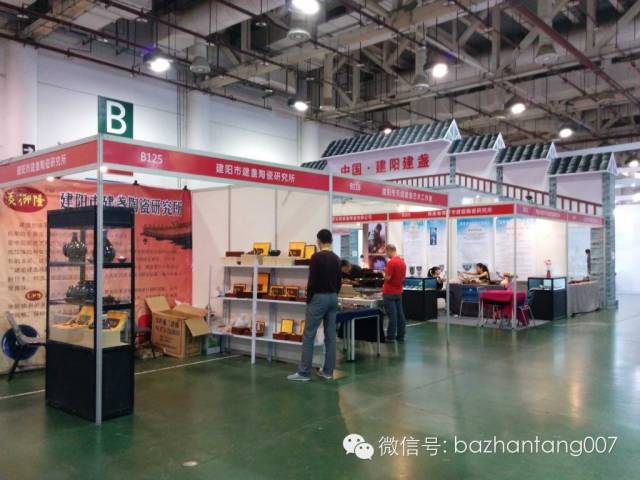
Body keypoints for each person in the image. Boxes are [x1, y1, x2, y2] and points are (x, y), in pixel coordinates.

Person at [288, 229, 342, 382]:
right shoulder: (337, 258)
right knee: (330, 336)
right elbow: (339, 282)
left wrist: (309, 299)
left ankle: (304, 372)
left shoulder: (316, 257)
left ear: (319, 241)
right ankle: (328, 372)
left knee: (309, 334)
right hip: (333, 297)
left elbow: (312, 281)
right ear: (331, 241)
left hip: (318, 298)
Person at [383, 244, 407, 342]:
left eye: (386, 252)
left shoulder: (391, 262)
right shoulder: (402, 262)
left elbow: (387, 278)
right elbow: (403, 278)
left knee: (392, 315)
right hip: (398, 292)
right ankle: (401, 335)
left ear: (389, 250)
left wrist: (383, 273)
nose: (386, 254)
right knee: (400, 315)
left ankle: (391, 336)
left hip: (389, 292)